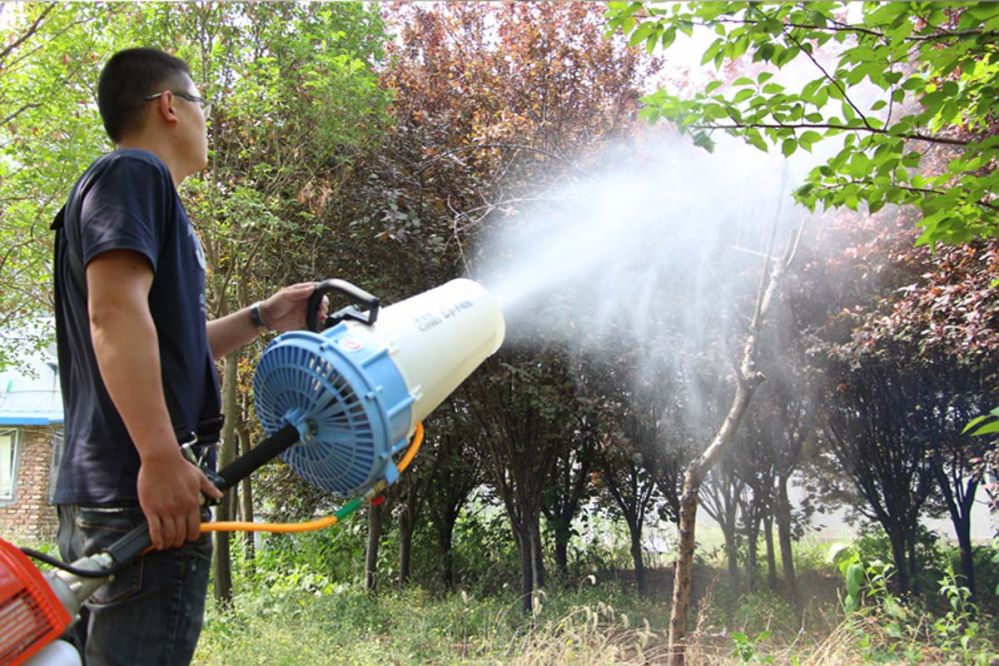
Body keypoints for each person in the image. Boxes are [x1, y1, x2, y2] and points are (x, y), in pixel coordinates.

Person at [51, 47, 324, 665]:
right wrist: (160, 456)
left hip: (111, 491)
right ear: (169, 106)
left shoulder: (132, 192)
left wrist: (264, 316)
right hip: (141, 494)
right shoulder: (133, 176)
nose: (208, 121)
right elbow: (114, 313)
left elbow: (167, 342)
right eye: (202, 104)